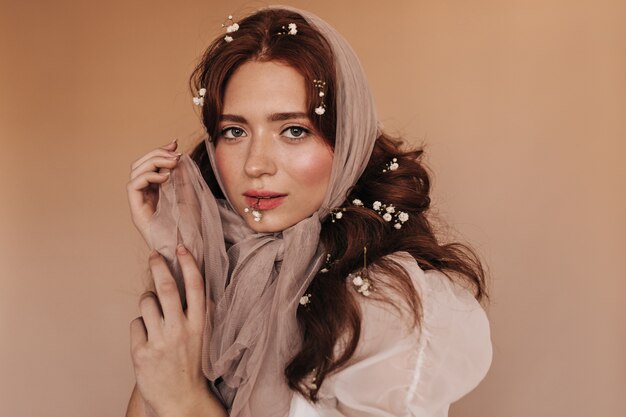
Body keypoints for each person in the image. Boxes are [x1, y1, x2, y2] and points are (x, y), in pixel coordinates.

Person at [125, 6, 492, 417]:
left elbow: (171, 398)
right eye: (235, 131)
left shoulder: (390, 302)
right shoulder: (224, 264)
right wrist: (181, 253)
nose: (255, 164)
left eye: (294, 131)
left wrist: (186, 401)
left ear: (346, 137)